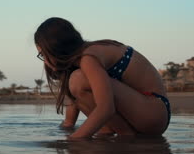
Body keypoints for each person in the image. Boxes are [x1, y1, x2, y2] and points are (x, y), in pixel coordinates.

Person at [34, 17, 171, 139]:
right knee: (75, 82)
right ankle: (106, 133)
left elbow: (106, 108)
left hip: (154, 113)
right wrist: (64, 131)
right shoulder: (79, 62)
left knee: (78, 80)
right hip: (140, 112)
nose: (44, 61)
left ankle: (126, 136)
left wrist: (73, 141)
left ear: (56, 49)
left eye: (43, 55)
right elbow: (71, 116)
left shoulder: (89, 57)